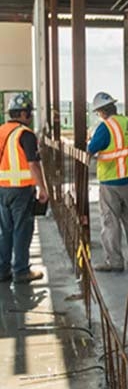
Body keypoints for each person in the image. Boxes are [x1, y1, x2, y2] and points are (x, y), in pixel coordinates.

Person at [87, 92, 128, 272]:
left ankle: (114, 261)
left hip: (111, 181)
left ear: (102, 111)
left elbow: (91, 149)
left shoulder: (105, 127)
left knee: (110, 221)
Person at [0, 93, 48, 283]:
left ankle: (3, 270)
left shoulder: (1, 131)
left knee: (5, 230)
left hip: (2, 188)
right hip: (20, 190)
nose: (30, 116)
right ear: (22, 113)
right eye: (28, 113)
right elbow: (33, 164)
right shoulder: (25, 134)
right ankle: (21, 271)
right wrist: (42, 188)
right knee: (22, 229)